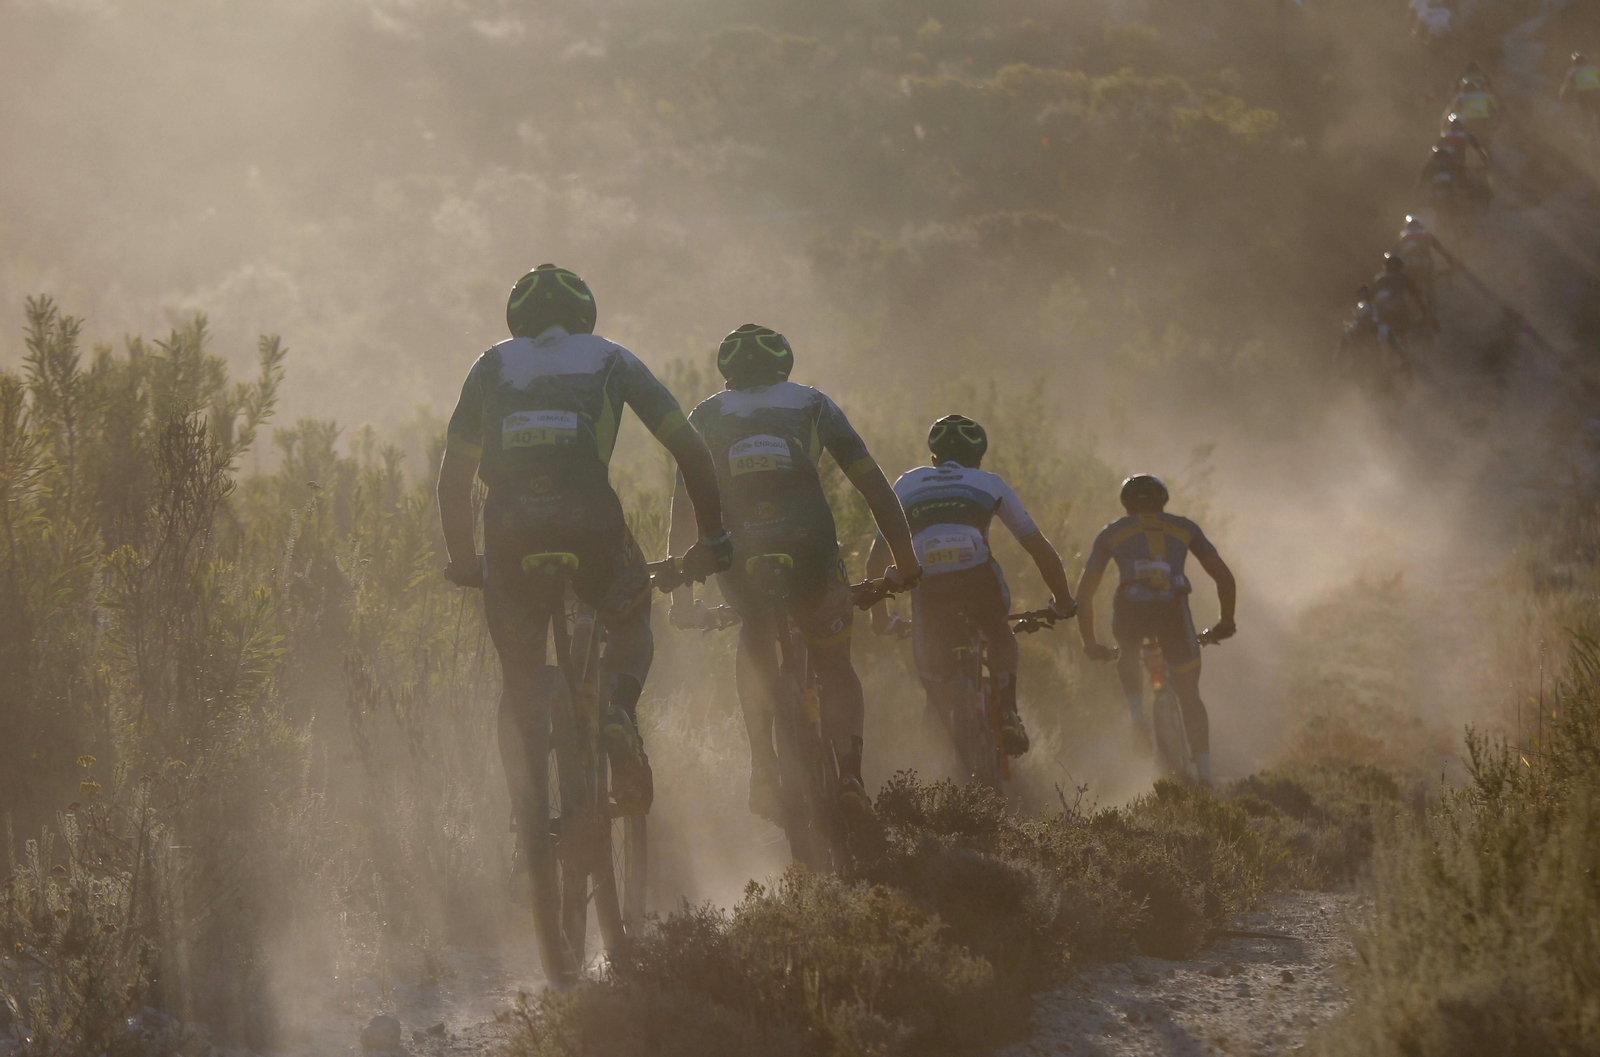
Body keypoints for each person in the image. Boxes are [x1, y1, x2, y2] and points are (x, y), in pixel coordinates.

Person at [437, 263, 732, 816]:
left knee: (518, 679)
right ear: (584, 317)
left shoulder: (491, 365)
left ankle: (526, 823)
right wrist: (713, 538)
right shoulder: (609, 357)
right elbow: (691, 450)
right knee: (630, 614)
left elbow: (452, 482)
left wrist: (464, 563)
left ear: (518, 320)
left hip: (509, 530)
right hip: (590, 521)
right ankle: (618, 707)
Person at [668, 323, 920, 819]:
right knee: (834, 663)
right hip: (810, 550)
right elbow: (873, 486)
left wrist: (680, 597)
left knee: (755, 640)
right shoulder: (811, 404)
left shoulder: (706, 414)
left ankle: (763, 767)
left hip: (740, 557)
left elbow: (683, 506)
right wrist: (905, 563)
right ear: (783, 365)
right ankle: (849, 775)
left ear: (727, 375)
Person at [866, 414, 1077, 761]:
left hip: (928, 581)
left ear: (933, 459)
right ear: (978, 459)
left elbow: (875, 562)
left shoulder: (906, 483)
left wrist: (880, 619)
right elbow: (1039, 547)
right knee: (997, 631)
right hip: (977, 574)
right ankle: (1007, 707)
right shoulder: (987, 481)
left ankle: (932, 773)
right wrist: (1064, 601)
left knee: (935, 689)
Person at [1075, 475, 1235, 787]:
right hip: (1173, 610)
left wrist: (1090, 643)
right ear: (1163, 501)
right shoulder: (1184, 527)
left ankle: (1136, 717)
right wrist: (1225, 623)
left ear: (1126, 505)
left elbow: (1085, 595)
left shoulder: (1112, 532)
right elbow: (1224, 578)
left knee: (1128, 652)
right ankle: (1205, 775)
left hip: (1130, 608)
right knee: (1190, 696)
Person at [1396, 215, 1454, 315]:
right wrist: (1450, 259)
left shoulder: (1403, 236)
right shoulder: (1426, 234)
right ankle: (1432, 312)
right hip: (1426, 265)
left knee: (1413, 291)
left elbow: (1396, 253)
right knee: (1429, 288)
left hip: (1410, 268)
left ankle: (1422, 313)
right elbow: (1439, 248)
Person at [1370, 252, 1435, 339]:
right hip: (1400, 313)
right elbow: (1417, 297)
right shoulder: (1404, 278)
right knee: (1402, 336)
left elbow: (1370, 298)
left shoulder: (1380, 279)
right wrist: (1424, 314)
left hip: (1386, 314)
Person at [1560, 52, 1600, 126]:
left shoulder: (1573, 71)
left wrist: (1562, 98)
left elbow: (1566, 87)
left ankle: (1587, 131)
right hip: (1596, 93)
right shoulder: (1594, 69)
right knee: (1598, 112)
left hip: (1582, 94)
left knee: (1586, 113)